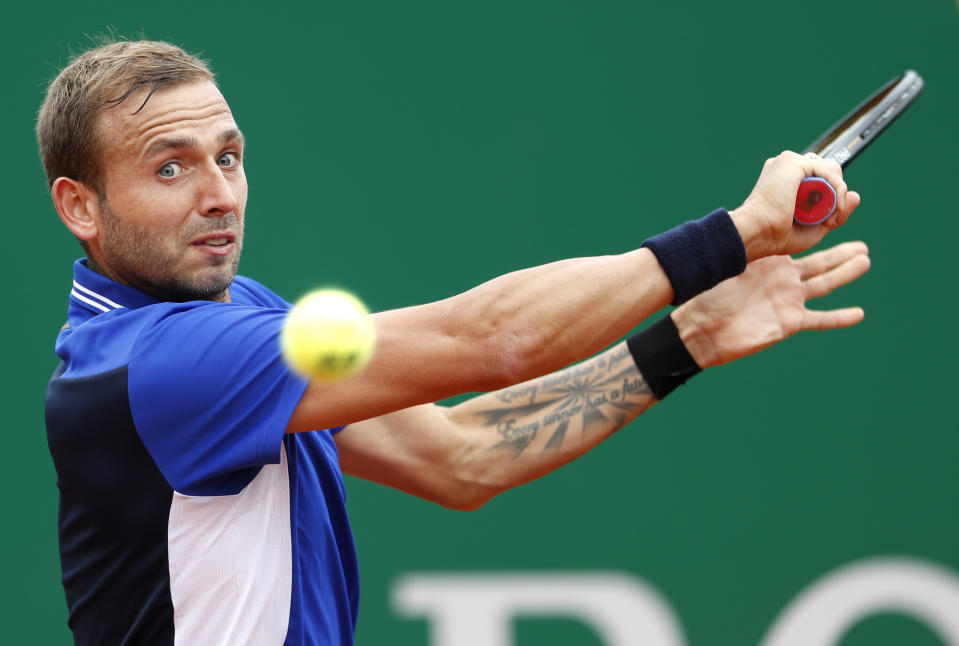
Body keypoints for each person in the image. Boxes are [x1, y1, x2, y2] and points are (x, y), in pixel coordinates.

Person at [38, 40, 869, 646]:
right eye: (172, 169)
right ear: (81, 206)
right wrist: (736, 233)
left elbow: (462, 456)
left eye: (229, 157)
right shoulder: (164, 365)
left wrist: (688, 335)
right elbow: (497, 340)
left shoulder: (229, 321)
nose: (220, 195)